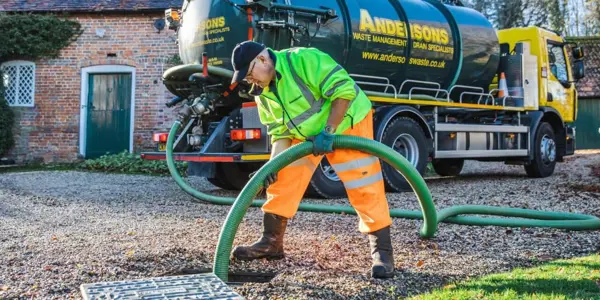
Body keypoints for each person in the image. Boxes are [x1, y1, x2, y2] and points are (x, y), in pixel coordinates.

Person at [228, 41, 394, 279]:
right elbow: (280, 133)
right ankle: (271, 243)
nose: (249, 81)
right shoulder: (263, 95)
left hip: (347, 122)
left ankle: (383, 253)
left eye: (250, 73)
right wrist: (273, 166)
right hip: (304, 135)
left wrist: (328, 131)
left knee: (363, 183)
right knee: (281, 178)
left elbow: (344, 90)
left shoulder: (303, 60)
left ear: (263, 60)